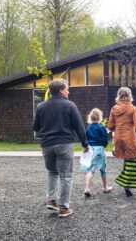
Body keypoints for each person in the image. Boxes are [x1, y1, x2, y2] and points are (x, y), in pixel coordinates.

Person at [32, 79, 88, 218]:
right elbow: (79, 126)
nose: (68, 91)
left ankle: (51, 199)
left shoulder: (41, 106)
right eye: (67, 89)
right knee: (66, 176)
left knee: (52, 172)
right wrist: (84, 143)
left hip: (46, 145)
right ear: (61, 90)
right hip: (64, 143)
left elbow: (35, 127)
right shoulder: (70, 105)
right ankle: (64, 207)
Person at [108, 87, 136, 197]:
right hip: (129, 138)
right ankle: (125, 184)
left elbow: (110, 126)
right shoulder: (133, 108)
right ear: (129, 95)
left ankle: (124, 184)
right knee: (131, 161)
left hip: (118, 138)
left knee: (127, 160)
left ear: (119, 96)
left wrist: (118, 127)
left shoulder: (114, 109)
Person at [82, 108, 112, 197]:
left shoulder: (88, 127)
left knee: (90, 170)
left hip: (90, 149)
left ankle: (87, 188)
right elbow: (105, 140)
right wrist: (104, 145)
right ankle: (105, 187)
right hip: (99, 150)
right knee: (102, 169)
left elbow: (85, 138)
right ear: (100, 117)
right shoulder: (102, 128)